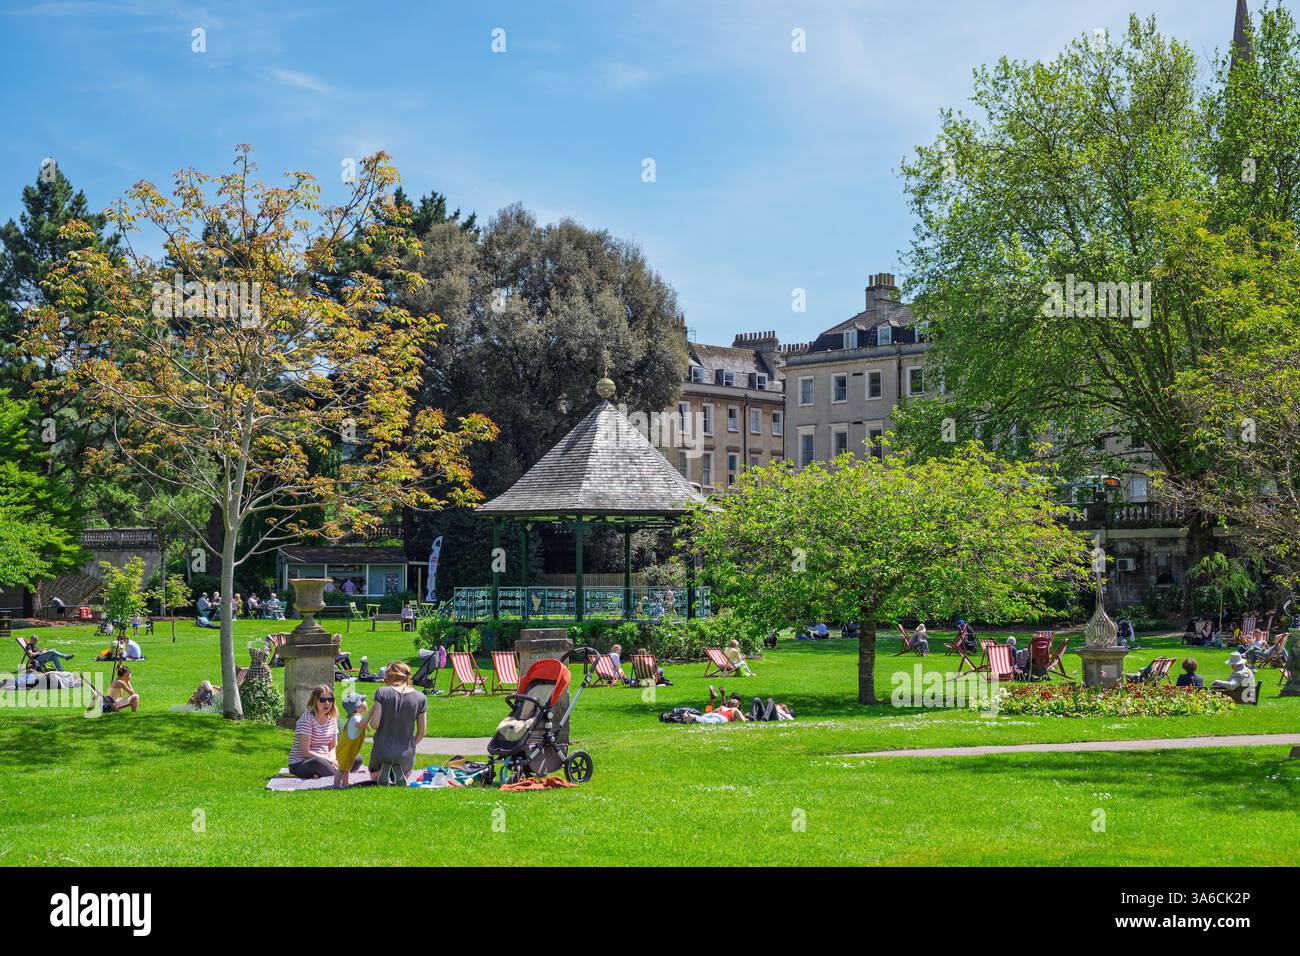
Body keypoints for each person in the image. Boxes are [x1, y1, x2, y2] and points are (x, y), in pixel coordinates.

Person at [367, 661, 427, 784]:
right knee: (406, 771)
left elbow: (375, 724)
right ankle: (400, 773)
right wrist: (410, 744)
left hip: (382, 751)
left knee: (372, 776)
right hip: (405, 754)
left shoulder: (382, 692)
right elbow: (421, 732)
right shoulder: (420, 698)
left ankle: (381, 772)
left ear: (389, 676)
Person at [287, 686, 358, 779]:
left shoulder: (332, 719)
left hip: (326, 759)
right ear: (314, 701)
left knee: (356, 757)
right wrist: (329, 760)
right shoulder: (306, 720)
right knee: (318, 763)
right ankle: (340, 773)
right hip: (301, 763)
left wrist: (332, 759)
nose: (327, 703)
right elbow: (305, 752)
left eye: (330, 699)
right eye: (323, 700)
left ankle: (327, 772)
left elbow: (333, 747)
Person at [334, 692, 371, 788]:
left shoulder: (356, 716)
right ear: (356, 707)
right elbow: (360, 724)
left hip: (349, 748)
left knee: (347, 767)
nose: (365, 703)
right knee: (342, 768)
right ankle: (336, 785)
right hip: (346, 749)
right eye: (362, 701)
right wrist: (370, 715)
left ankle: (345, 783)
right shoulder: (355, 718)